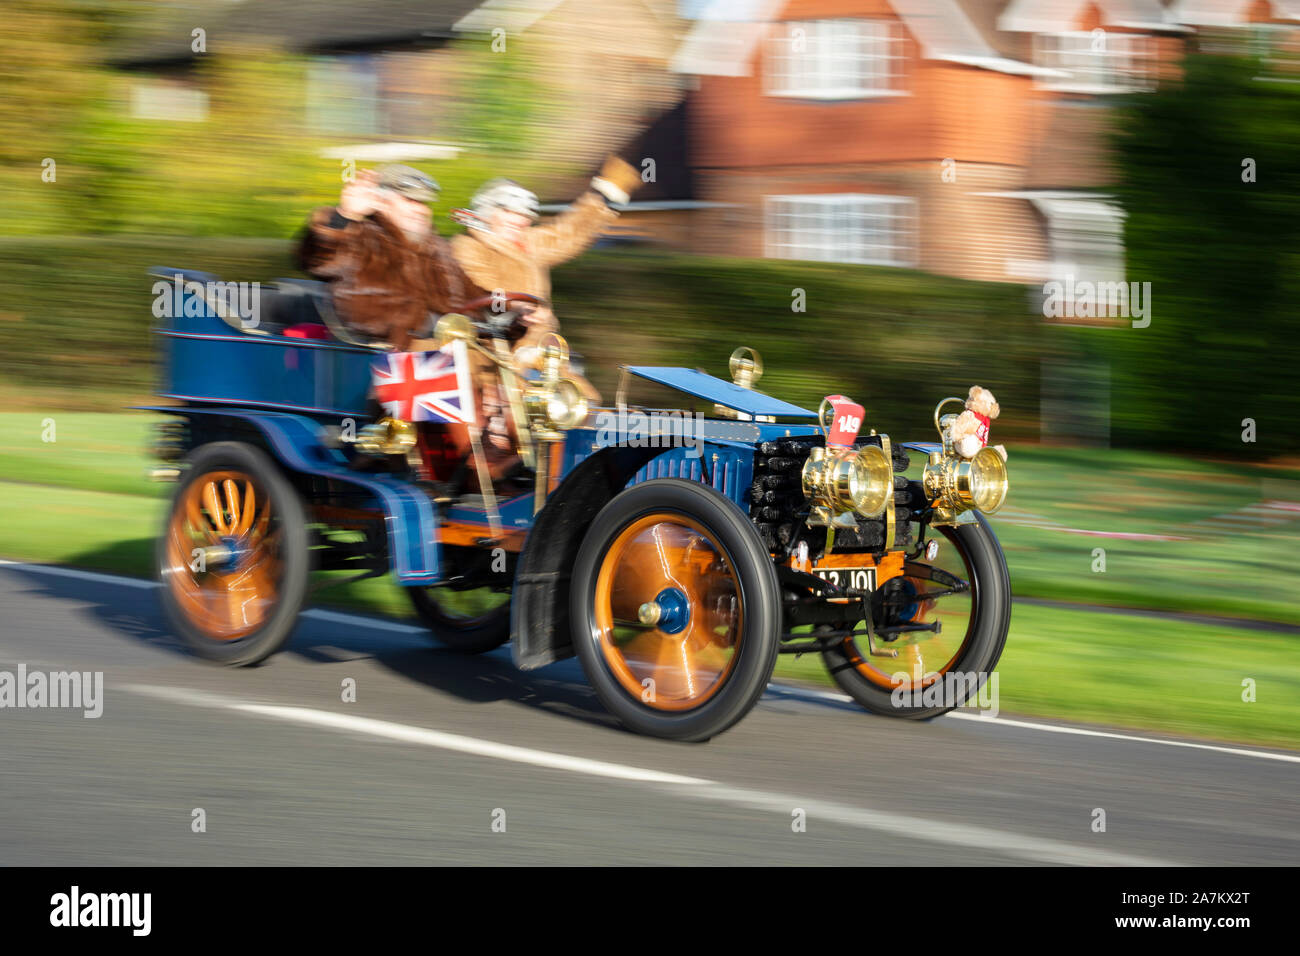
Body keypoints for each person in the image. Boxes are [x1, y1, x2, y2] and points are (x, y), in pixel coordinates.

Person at [451, 156, 643, 391]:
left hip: (537, 349)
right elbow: (481, 287)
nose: (519, 220)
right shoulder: (466, 245)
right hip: (486, 350)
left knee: (580, 402)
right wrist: (519, 308)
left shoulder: (528, 243)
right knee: (504, 407)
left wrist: (603, 198)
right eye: (509, 212)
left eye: (524, 215)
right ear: (487, 212)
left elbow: (568, 234)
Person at [297, 164, 479, 351]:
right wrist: (345, 216)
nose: (420, 210)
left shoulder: (437, 248)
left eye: (424, 203)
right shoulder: (360, 238)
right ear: (381, 202)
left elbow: (473, 297)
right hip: (385, 355)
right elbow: (318, 259)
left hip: (448, 346)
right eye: (410, 200)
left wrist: (503, 309)